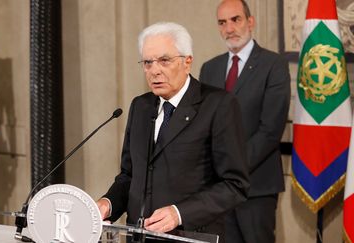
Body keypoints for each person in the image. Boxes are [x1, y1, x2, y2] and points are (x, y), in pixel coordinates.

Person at [97, 22, 249, 242]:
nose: (154, 70)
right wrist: (108, 203)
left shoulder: (218, 105)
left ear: (187, 62)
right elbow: (130, 176)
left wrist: (179, 213)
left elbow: (234, 185)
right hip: (138, 236)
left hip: (190, 235)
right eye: (147, 62)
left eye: (164, 60)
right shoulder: (140, 106)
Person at [199, 0, 291, 242]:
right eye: (222, 22)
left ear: (251, 21)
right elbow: (203, 126)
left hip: (256, 187)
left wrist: (230, 168)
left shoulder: (274, 64)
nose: (229, 28)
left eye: (235, 19)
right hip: (217, 191)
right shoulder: (209, 69)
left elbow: (270, 130)